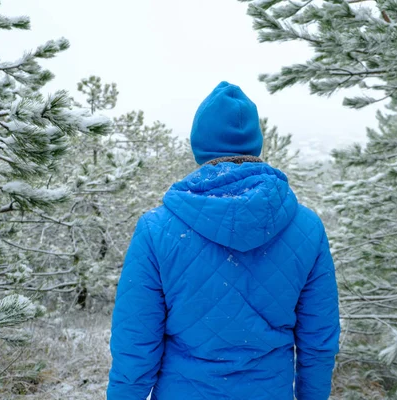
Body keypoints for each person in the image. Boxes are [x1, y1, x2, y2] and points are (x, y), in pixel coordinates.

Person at [107, 82, 340, 400]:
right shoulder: (307, 228)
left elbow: (135, 343)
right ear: (254, 144)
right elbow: (319, 342)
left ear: (199, 145)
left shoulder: (156, 229)